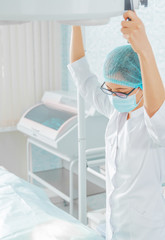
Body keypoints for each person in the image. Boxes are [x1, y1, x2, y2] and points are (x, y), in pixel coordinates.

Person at [67, 10, 165, 240]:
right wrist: (75, 21)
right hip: (115, 226)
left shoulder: (155, 126)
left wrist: (144, 48)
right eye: (110, 90)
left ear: (142, 86)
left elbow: (157, 108)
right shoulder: (116, 111)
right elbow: (81, 73)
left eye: (121, 92)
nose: (113, 96)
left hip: (146, 231)